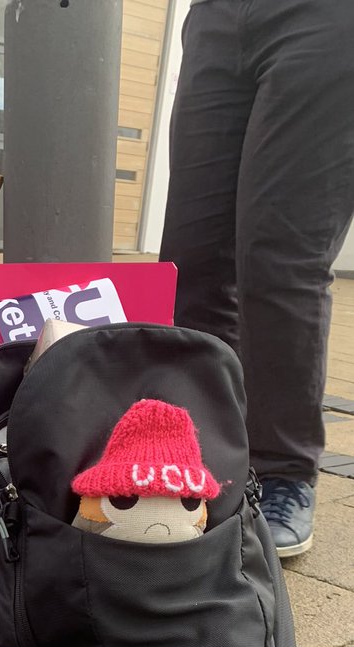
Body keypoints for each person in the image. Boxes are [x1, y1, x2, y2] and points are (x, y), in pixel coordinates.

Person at [159, 0, 354, 557]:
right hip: (217, 19)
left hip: (327, 18)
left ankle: (285, 470)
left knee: (279, 258)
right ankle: (205, 449)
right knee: (190, 259)